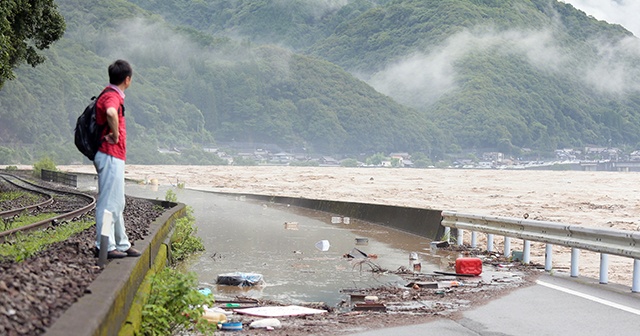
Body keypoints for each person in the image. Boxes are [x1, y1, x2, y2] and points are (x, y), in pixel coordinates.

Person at [93, 59, 140, 259]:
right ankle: (104, 245)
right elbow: (111, 112)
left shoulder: (111, 94)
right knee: (107, 203)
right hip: (109, 154)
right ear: (127, 79)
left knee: (117, 202)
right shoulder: (112, 96)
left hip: (114, 156)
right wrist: (116, 134)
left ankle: (121, 244)